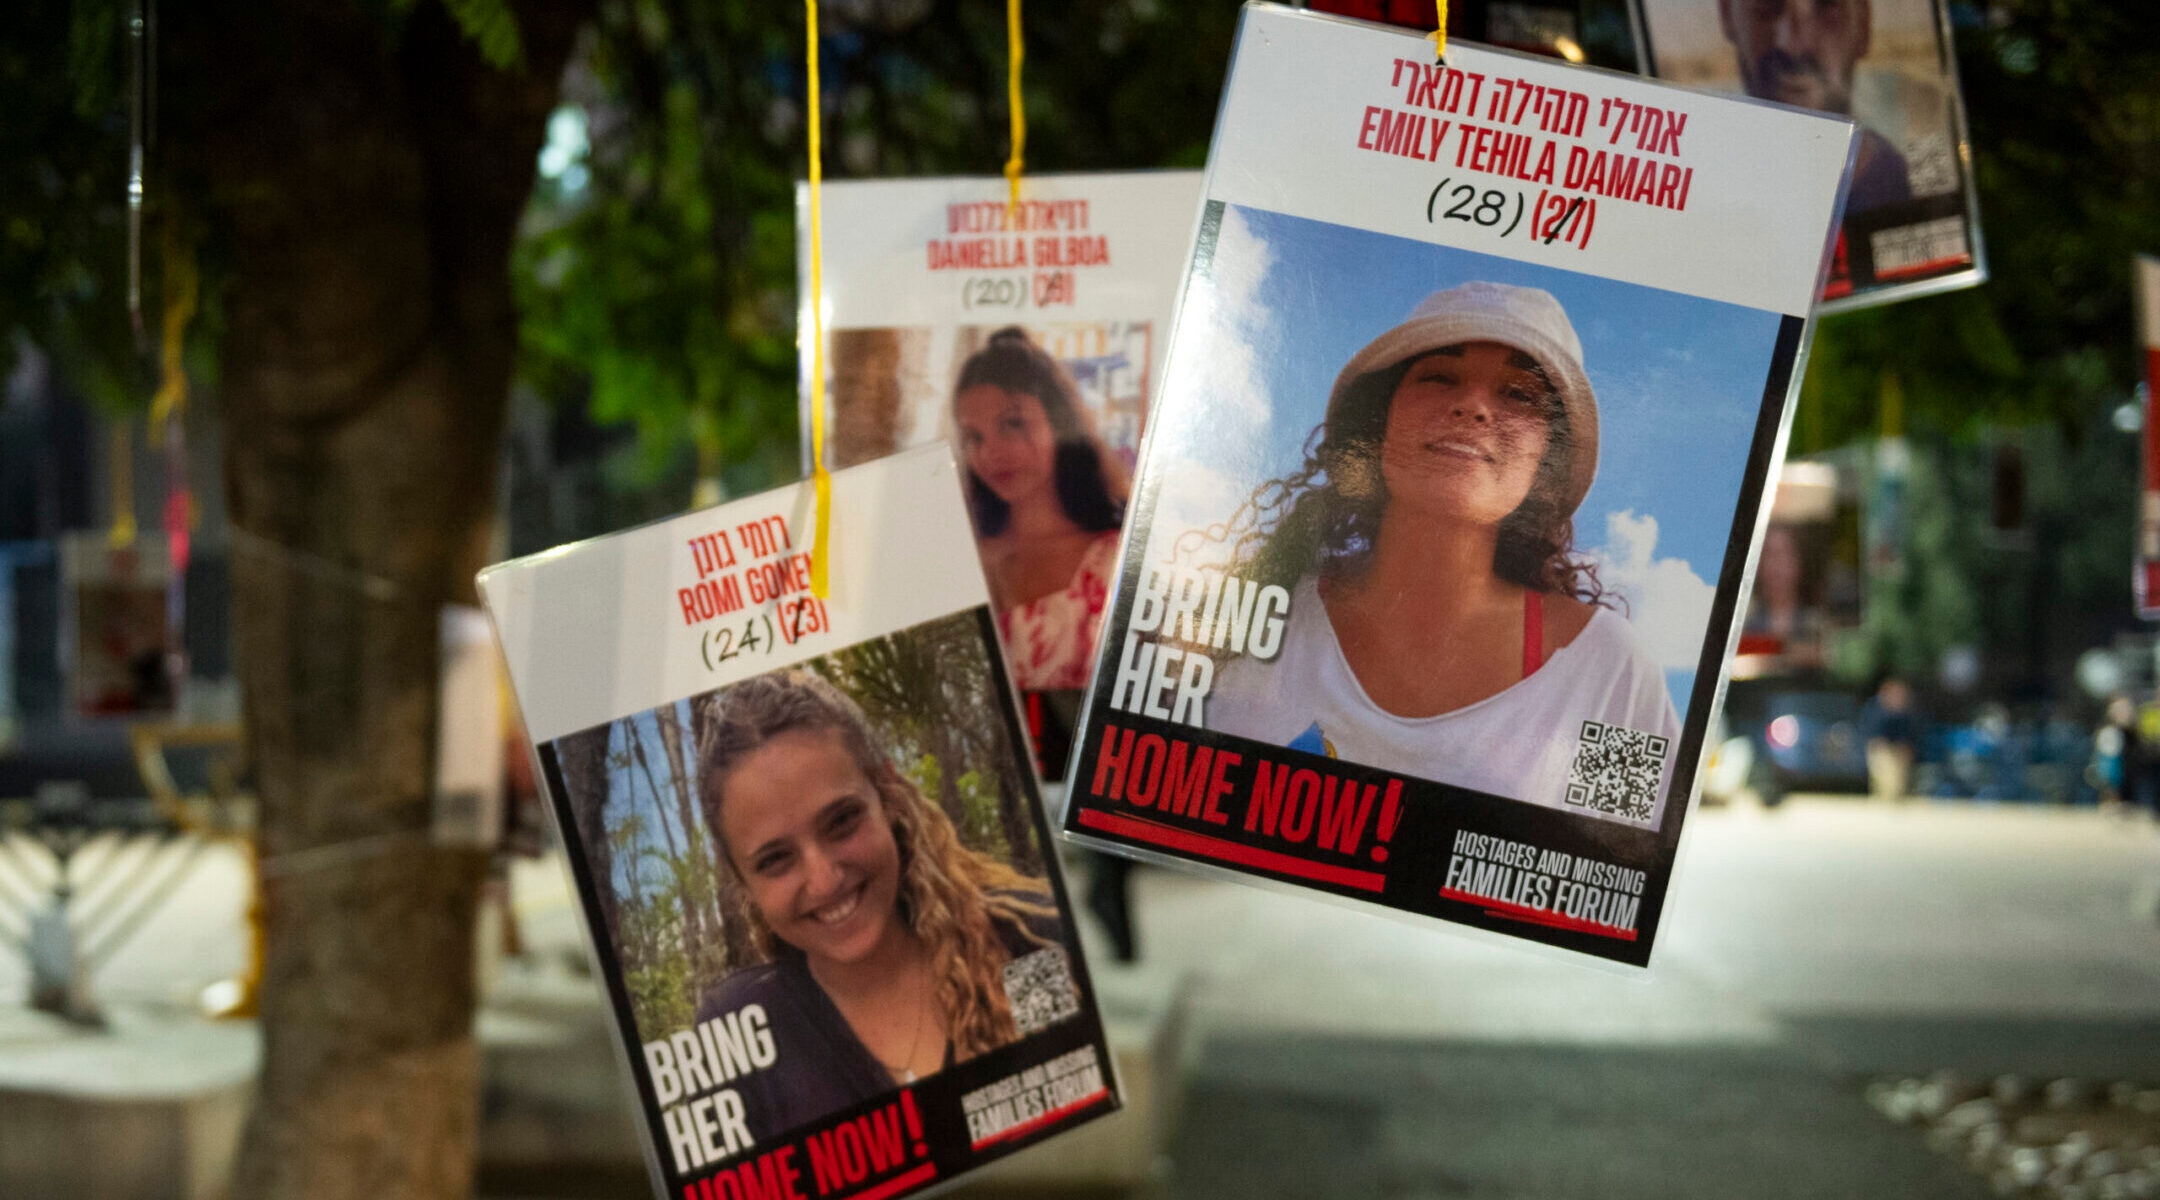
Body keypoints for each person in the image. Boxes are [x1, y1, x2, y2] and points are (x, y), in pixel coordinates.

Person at [1203, 282, 1681, 824]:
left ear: (1549, 457)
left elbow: (1624, 871)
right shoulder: (1256, 616)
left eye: (1519, 394)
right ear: (1379, 422)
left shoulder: (1613, 672)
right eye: (1439, 377)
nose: (1473, 406)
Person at [694, 671, 1066, 1136]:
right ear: (741, 880)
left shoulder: (1026, 934)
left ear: (887, 794)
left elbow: (1076, 1129)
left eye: (843, 821)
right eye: (775, 860)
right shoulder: (735, 1027)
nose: (825, 879)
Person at [951, 328, 1129, 695]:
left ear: (1059, 422)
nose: (991, 453)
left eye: (1012, 424)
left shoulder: (1116, 558)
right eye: (974, 437)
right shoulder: (961, 560)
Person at [1717, 0, 1912, 213]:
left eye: (1827, 8)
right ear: (1728, 16)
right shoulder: (1708, 189)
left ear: (1863, 24)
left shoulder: (1899, 185)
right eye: (1767, 9)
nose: (1793, 45)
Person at [1858, 676, 1919, 802]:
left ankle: (1896, 800)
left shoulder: (1906, 712)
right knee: (1883, 773)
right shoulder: (1875, 709)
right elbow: (1874, 737)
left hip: (1898, 749)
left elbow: (1908, 736)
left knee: (1899, 779)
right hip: (1881, 748)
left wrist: (1904, 748)